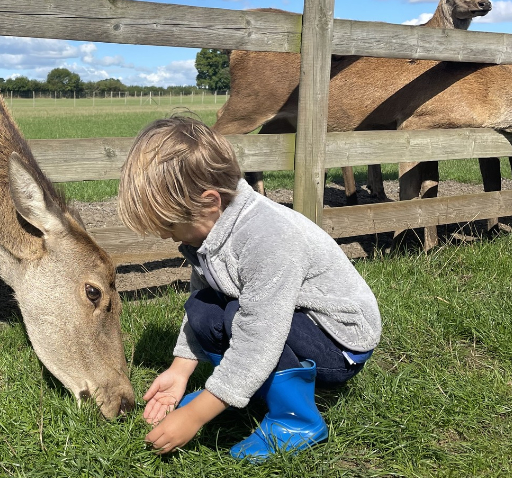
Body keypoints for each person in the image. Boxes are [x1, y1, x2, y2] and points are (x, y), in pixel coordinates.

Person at [117, 116, 381, 462]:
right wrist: (180, 370)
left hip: (338, 342)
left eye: (169, 224)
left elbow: (260, 334)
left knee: (236, 316)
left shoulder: (268, 237)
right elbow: (204, 296)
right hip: (289, 322)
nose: (167, 235)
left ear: (210, 202)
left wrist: (197, 414)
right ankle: (243, 389)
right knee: (203, 307)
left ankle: (297, 421)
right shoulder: (210, 229)